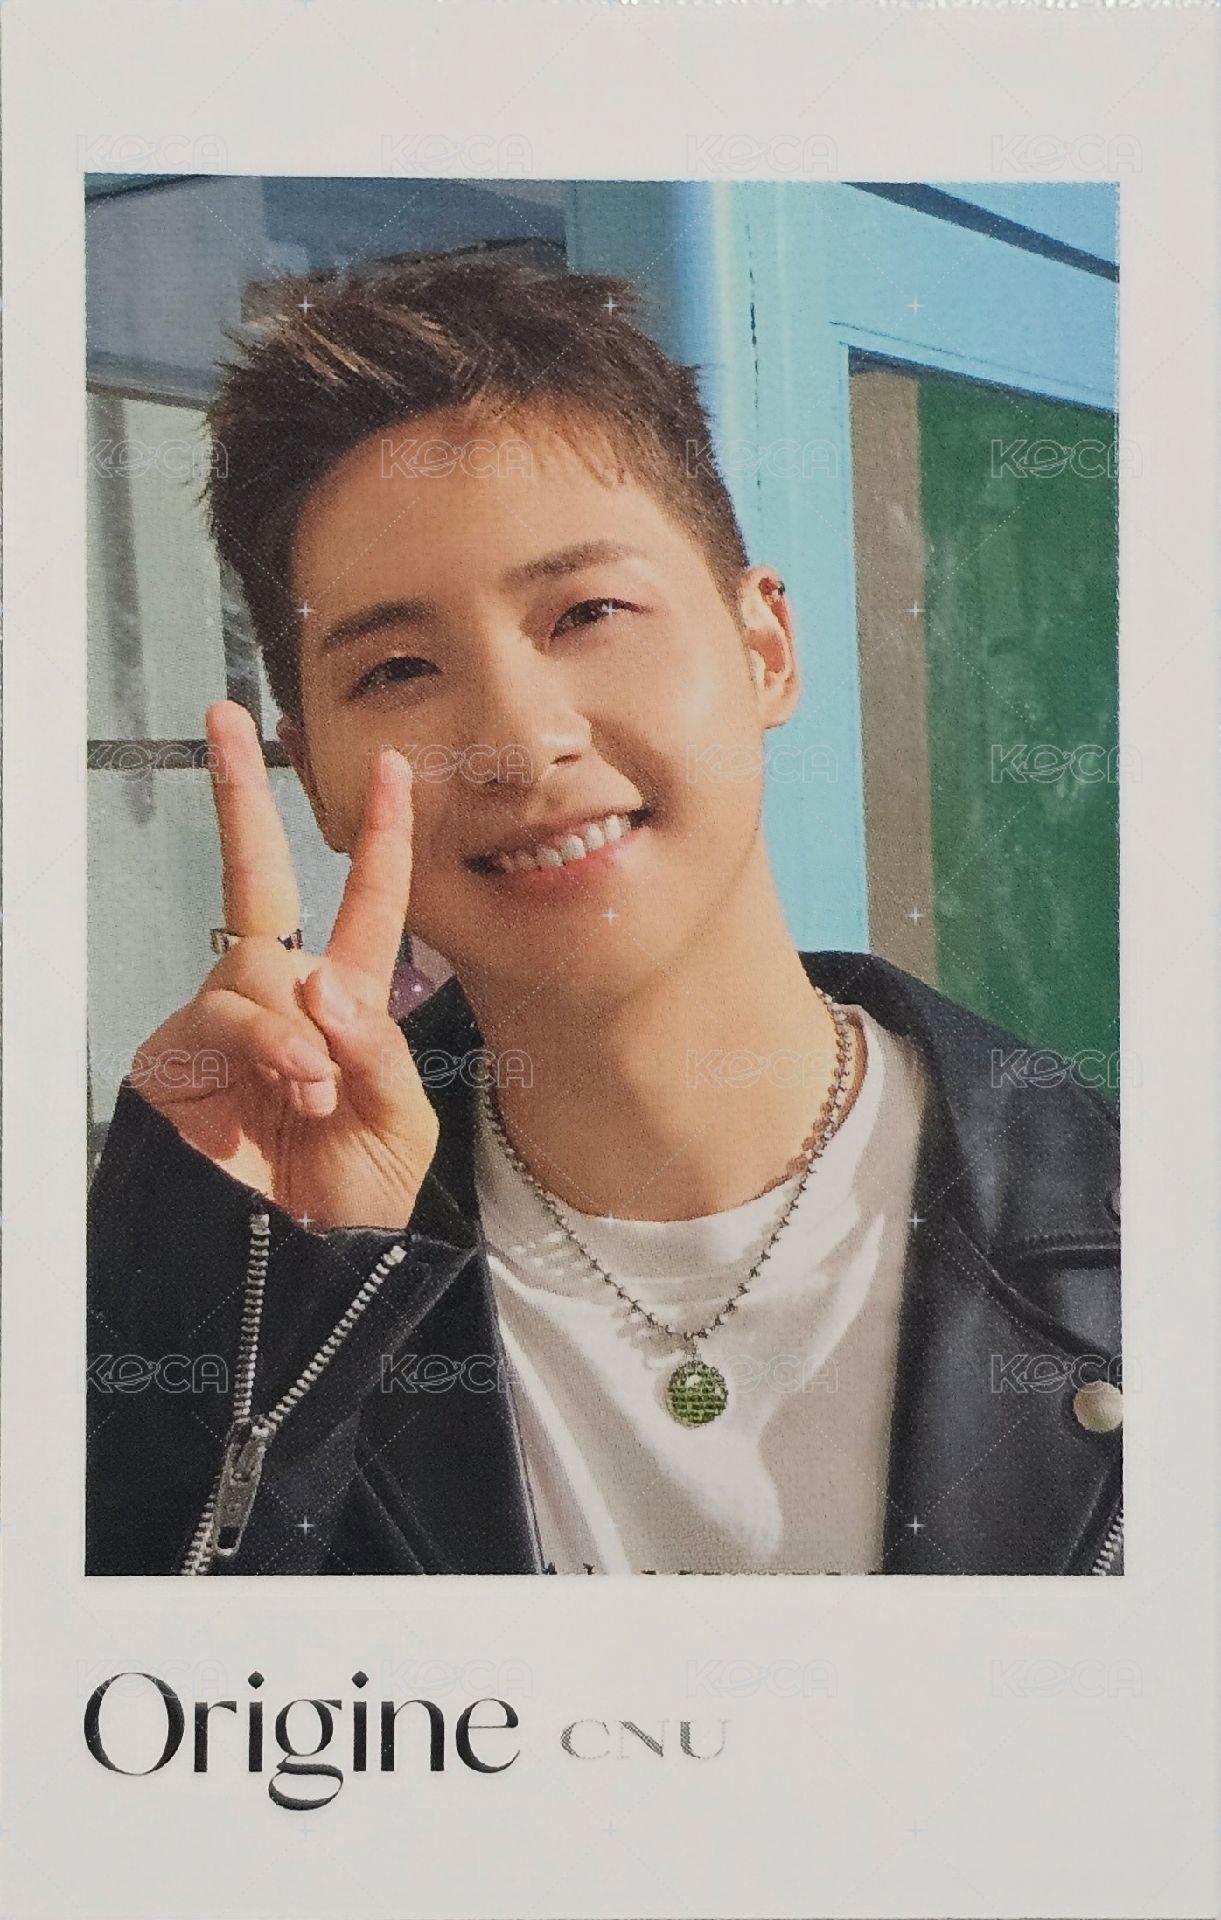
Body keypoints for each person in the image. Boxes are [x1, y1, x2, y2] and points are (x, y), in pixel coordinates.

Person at [87, 255, 1122, 1578]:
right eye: (397, 669)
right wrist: (238, 1306)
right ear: (316, 774)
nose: (519, 743)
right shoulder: (273, 1256)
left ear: (765, 649)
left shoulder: (1129, 1231)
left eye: (587, 612)